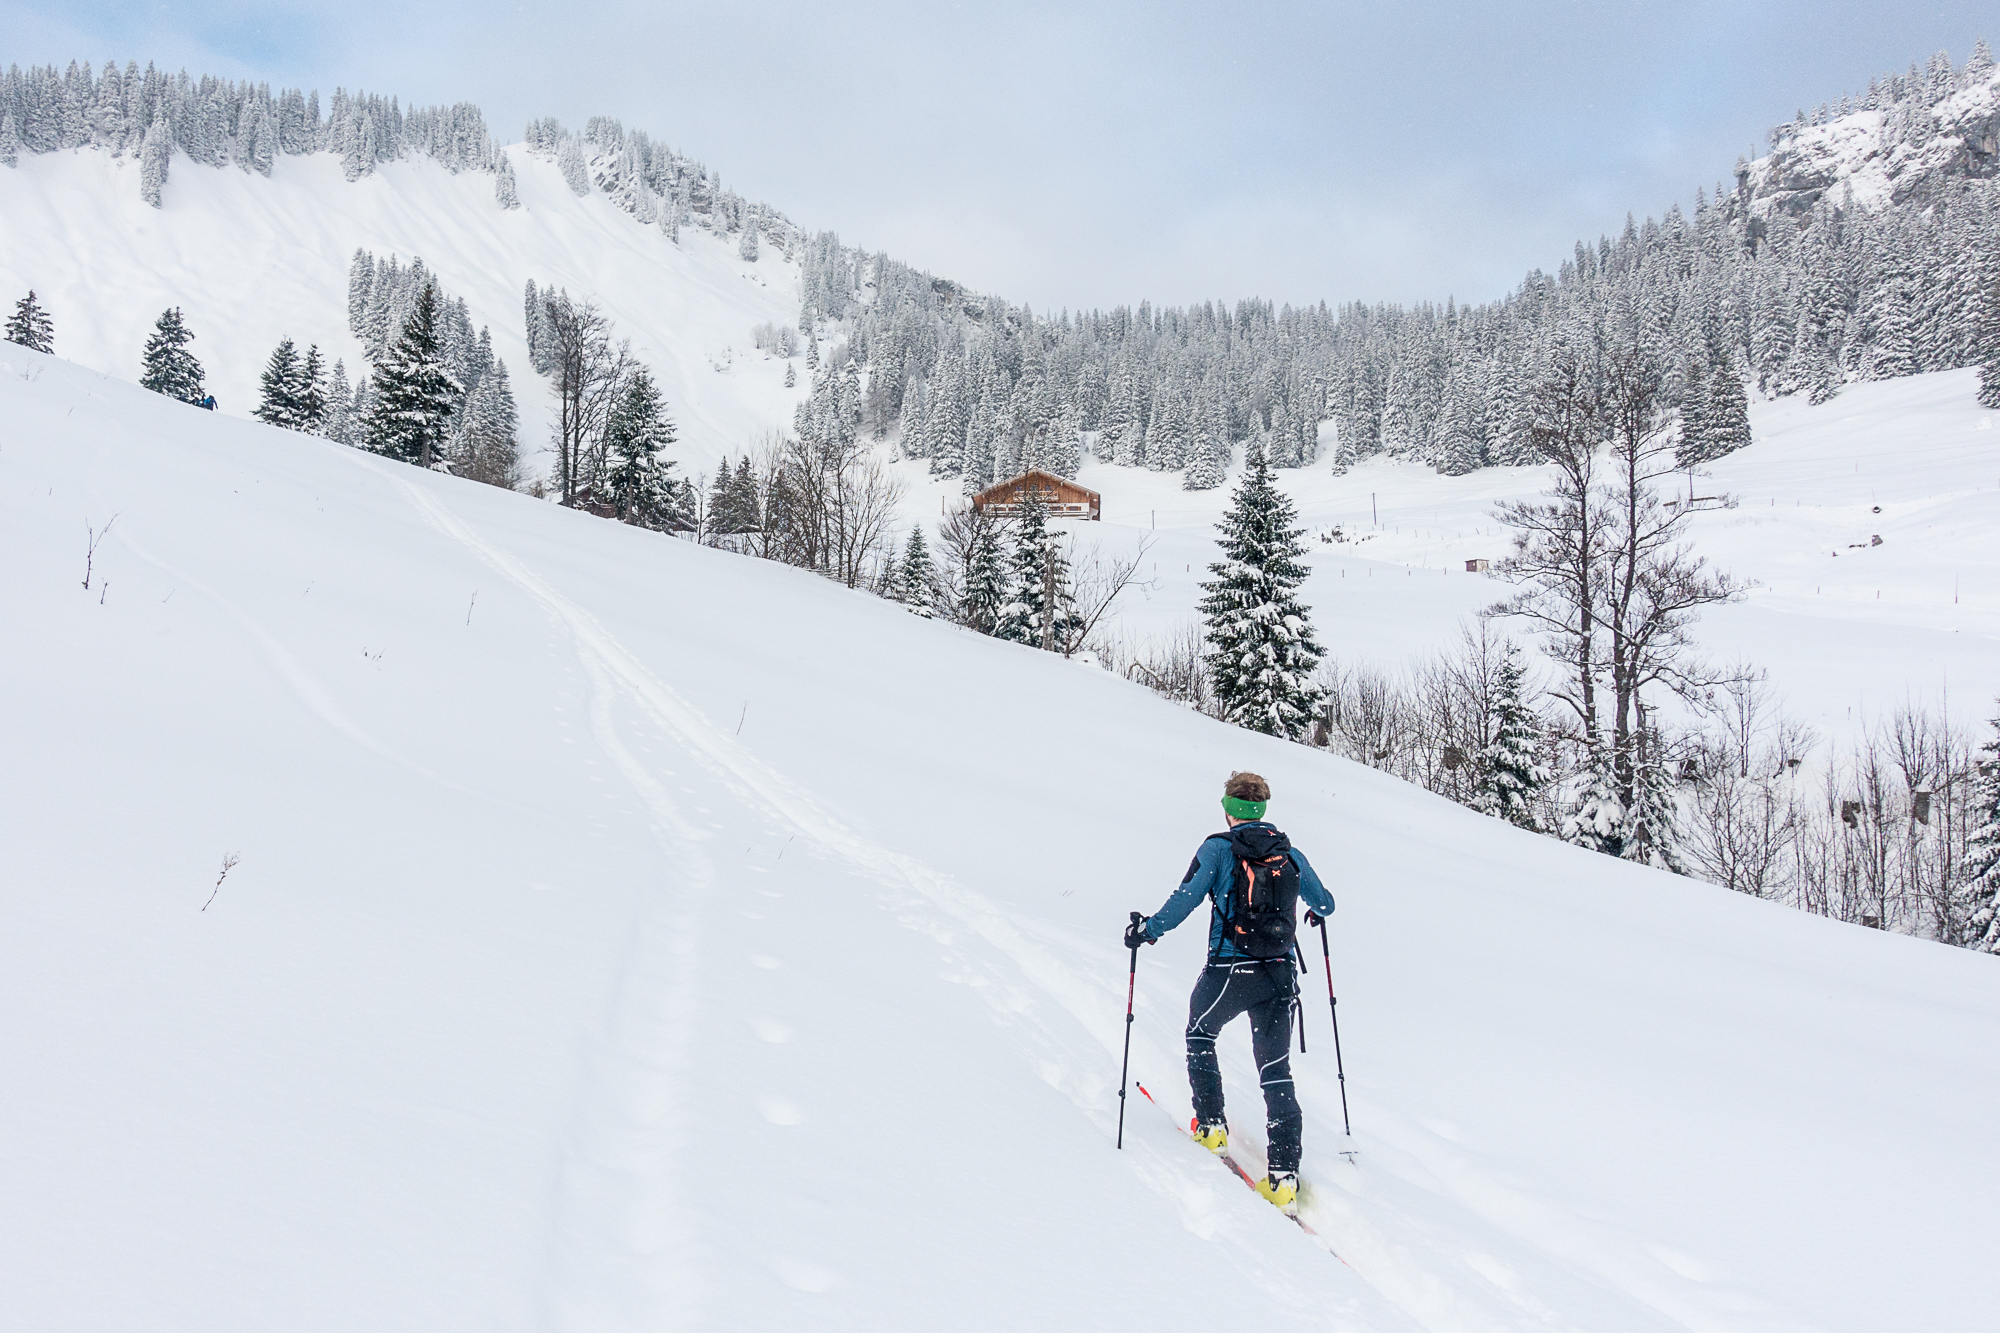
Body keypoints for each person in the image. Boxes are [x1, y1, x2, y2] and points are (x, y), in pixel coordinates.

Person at [1125, 771, 1333, 1213]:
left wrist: (1149, 930)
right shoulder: (1289, 853)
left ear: (1228, 808)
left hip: (1229, 970)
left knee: (1200, 1034)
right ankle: (1283, 1178)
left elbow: (1187, 897)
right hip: (1279, 974)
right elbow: (1326, 902)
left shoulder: (1217, 849)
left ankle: (1213, 1127)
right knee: (1276, 1073)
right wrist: (1314, 912)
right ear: (1262, 808)